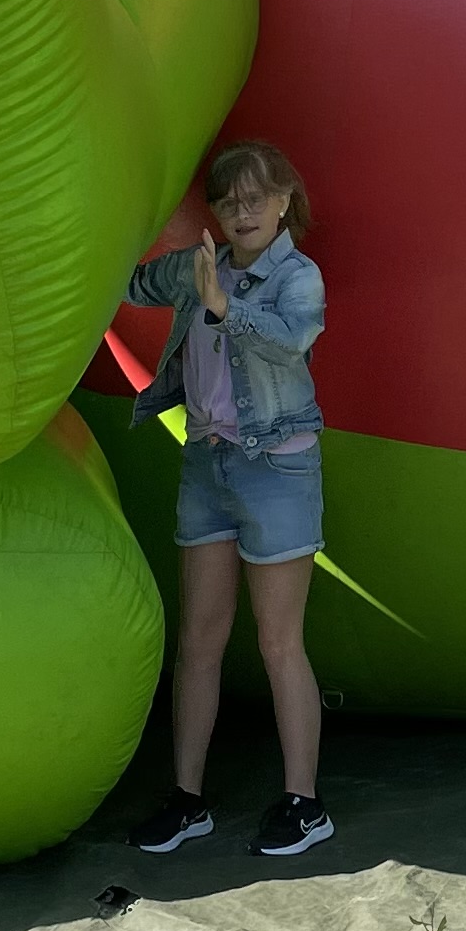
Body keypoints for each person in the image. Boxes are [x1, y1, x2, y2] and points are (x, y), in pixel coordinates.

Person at [124, 140, 333, 861]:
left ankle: (304, 803)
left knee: (279, 643)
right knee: (199, 641)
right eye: (226, 201)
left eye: (255, 198)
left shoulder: (297, 277)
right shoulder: (197, 266)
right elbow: (129, 284)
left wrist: (225, 309)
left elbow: (293, 339)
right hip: (207, 465)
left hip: (276, 470)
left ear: (283, 202)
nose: (241, 212)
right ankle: (188, 799)